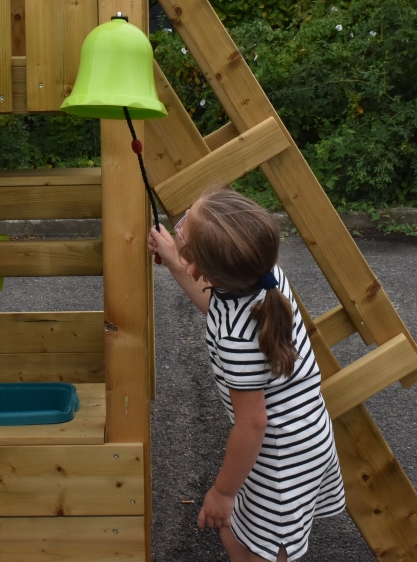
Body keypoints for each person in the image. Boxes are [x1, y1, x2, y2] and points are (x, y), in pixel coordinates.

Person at [148, 187, 346, 562]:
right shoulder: (265, 277)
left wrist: (223, 492)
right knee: (235, 535)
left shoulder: (237, 339)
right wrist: (175, 260)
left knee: (263, 551)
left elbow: (252, 423)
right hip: (302, 437)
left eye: (183, 228)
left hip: (279, 461)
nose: (179, 225)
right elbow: (215, 304)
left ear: (200, 269)